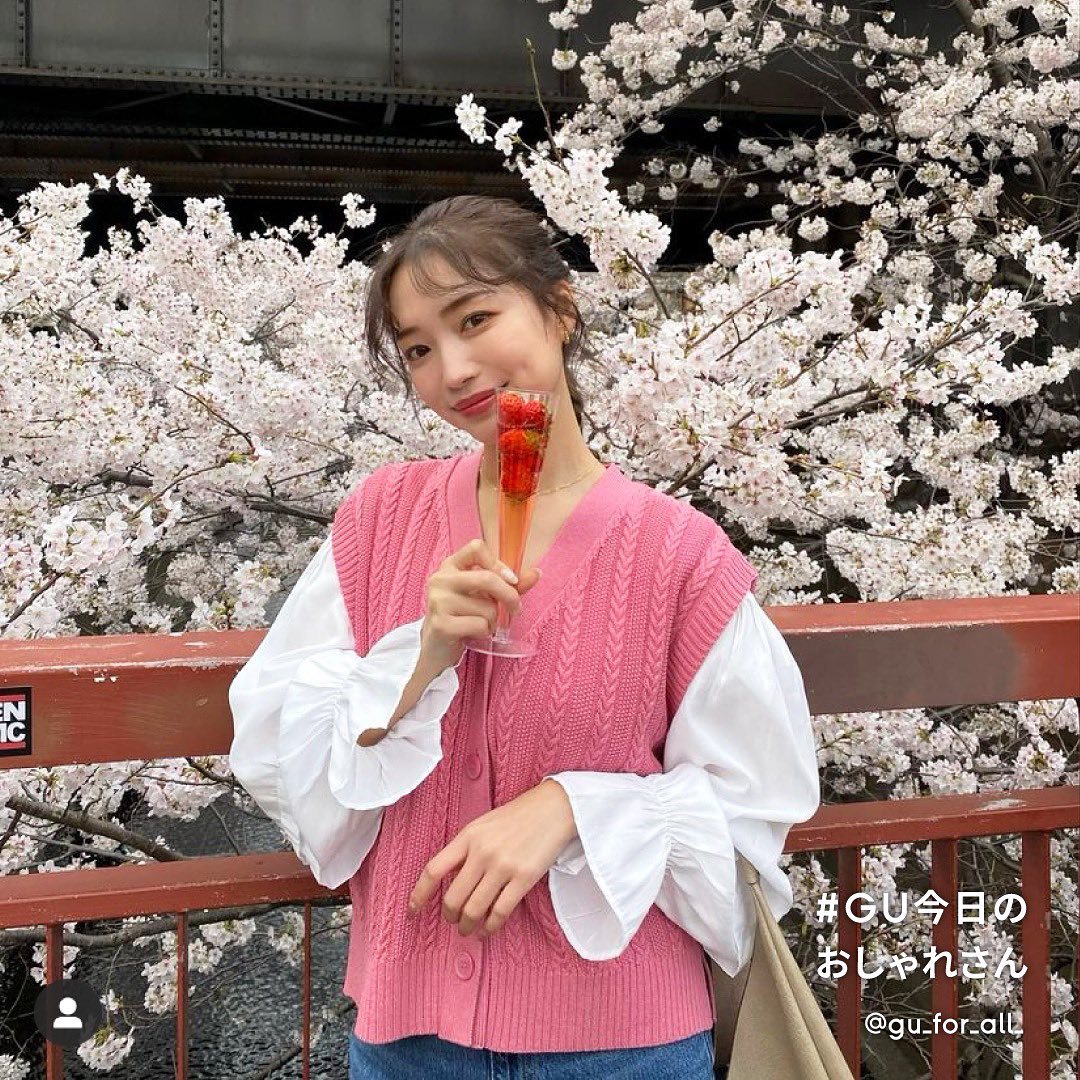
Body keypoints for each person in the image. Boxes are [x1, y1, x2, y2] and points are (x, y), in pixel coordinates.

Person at [228, 195, 821, 1080]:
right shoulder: (379, 519)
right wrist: (419, 660)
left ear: (559, 308)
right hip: (406, 1043)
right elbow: (278, 748)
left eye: (475, 319)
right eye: (418, 349)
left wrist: (573, 808)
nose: (454, 369)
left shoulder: (679, 555)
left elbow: (753, 807)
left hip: (624, 1048)